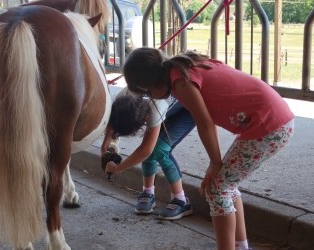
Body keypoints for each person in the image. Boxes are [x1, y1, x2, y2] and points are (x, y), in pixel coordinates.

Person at [112, 47, 295, 250]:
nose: (151, 97)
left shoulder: (181, 82)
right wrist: (215, 163)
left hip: (269, 125)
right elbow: (207, 121)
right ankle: (241, 246)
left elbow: (204, 123)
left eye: (146, 92)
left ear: (151, 83)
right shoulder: (181, 68)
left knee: (217, 190)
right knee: (224, 185)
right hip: (272, 120)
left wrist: (216, 164)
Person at [101, 86, 195, 220]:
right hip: (166, 105)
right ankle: (148, 192)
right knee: (151, 147)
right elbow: (114, 120)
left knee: (160, 149)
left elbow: (146, 150)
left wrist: (118, 168)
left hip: (188, 109)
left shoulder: (156, 108)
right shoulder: (124, 97)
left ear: (143, 118)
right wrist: (105, 143)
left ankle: (181, 200)